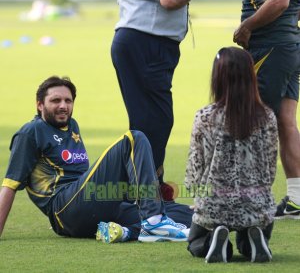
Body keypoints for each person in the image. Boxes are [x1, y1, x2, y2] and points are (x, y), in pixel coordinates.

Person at [0, 76, 193, 243]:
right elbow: (10, 184)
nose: (63, 106)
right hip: (64, 210)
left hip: (90, 203)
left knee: (186, 214)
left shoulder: (71, 126)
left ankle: (126, 232)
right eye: (55, 100)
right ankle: (153, 222)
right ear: (40, 104)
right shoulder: (31, 132)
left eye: (68, 101)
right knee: (133, 139)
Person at [111, 0, 210, 200]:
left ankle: (145, 187)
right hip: (147, 41)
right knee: (155, 121)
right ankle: (146, 194)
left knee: (149, 121)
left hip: (142, 41)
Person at [185, 47, 278, 263]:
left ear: (218, 78)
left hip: (215, 205)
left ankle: (215, 242)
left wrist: (197, 197)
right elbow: (270, 170)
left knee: (195, 243)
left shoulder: (205, 117)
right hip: (256, 204)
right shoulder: (266, 117)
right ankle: (252, 240)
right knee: (252, 234)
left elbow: (195, 168)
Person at [233, 0, 300, 219]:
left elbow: (280, 1)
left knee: (255, 122)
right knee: (286, 122)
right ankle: (297, 199)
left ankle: (253, 198)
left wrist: (246, 26)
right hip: (288, 46)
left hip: (271, 49)